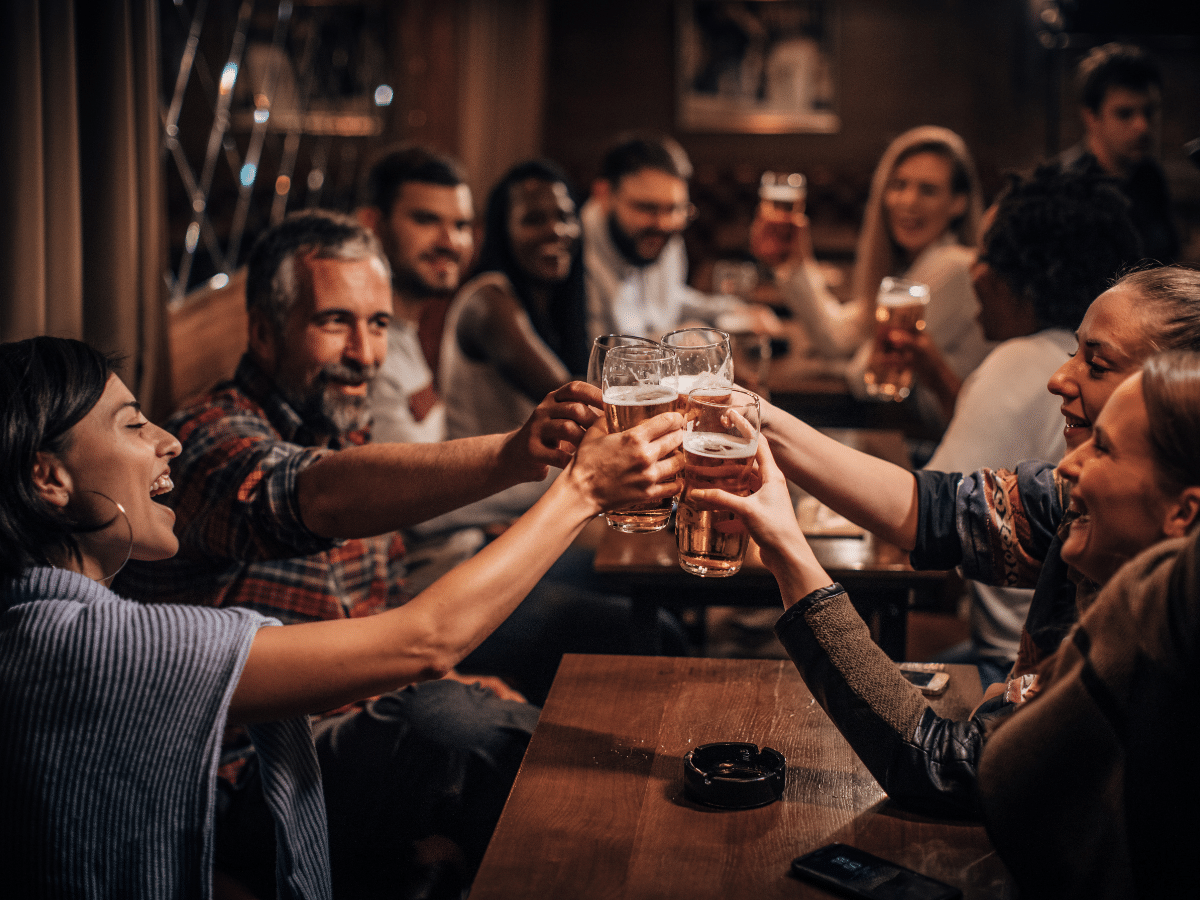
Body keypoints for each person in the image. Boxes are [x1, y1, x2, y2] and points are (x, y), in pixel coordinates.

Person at [114, 209, 686, 899]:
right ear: (263, 332)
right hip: (241, 780)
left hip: (348, 724)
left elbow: (378, 614)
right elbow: (312, 498)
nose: (364, 352)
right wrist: (513, 455)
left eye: (378, 325)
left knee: (596, 659)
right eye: (335, 323)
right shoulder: (207, 440)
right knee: (461, 728)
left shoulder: (346, 429)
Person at [0, 335, 682, 897]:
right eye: (131, 423)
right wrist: (581, 490)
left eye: (379, 320)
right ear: (48, 477)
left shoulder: (50, 625)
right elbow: (424, 639)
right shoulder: (75, 644)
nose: (166, 441)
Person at [703, 265, 1200, 816]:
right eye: (1073, 352)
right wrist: (753, 415)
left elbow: (945, 768)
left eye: (1097, 363)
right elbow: (932, 510)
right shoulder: (1091, 505)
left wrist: (786, 549)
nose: (1060, 379)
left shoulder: (1152, 632)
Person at [979, 364, 1200, 896]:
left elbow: (990, 774)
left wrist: (793, 562)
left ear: (1184, 513)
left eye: (1103, 447)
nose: (1069, 464)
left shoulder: (1150, 604)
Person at [917, 165, 1142, 686]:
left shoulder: (1022, 361)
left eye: (988, 251)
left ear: (1026, 272)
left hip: (1016, 667)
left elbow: (929, 514)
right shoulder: (1104, 373)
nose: (975, 269)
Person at [751, 125, 993, 433]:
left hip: (947, 450)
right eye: (899, 185)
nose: (908, 201)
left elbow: (864, 377)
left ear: (958, 202)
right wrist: (795, 262)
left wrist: (830, 364)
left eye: (927, 190)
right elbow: (837, 337)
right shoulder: (917, 268)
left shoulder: (956, 267)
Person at [440, 158, 588, 442]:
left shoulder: (553, 299)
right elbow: (571, 401)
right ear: (502, 231)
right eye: (534, 219)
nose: (556, 230)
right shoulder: (487, 301)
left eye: (565, 217)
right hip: (488, 484)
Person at [582, 130, 774, 342]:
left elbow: (670, 299)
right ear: (603, 195)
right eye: (647, 207)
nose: (664, 223)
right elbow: (597, 355)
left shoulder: (661, 234)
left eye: (675, 209)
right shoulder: (576, 253)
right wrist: (684, 339)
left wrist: (733, 311)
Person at [356, 145, 474, 446]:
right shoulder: (358, 347)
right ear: (373, 224)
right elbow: (398, 488)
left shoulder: (405, 331)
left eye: (461, 225)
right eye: (426, 220)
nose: (450, 242)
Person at [1055, 42, 1180, 264]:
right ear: (1091, 117)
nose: (1142, 126)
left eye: (1149, 112)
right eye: (1124, 114)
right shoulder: (1066, 187)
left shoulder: (1150, 176)